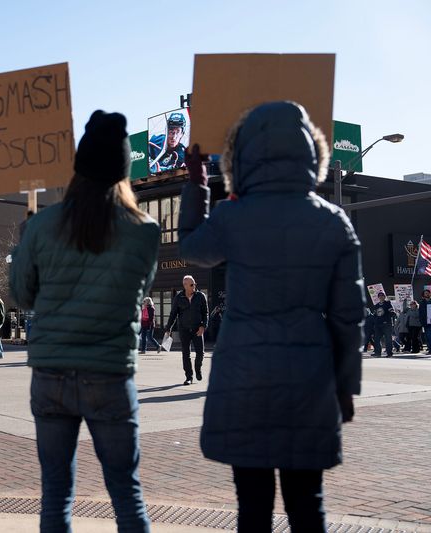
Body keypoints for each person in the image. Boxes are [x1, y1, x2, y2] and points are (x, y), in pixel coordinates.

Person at [178, 101, 365, 532]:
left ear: (242, 156)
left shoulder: (232, 216)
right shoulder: (334, 222)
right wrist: (345, 387)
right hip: (310, 378)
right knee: (307, 505)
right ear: (311, 152)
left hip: (243, 376)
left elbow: (190, 248)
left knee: (253, 507)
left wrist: (198, 185)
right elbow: (348, 317)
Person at [10, 110, 157, 531]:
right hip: (109, 373)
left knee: (56, 494)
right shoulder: (144, 231)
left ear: (79, 167)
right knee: (127, 494)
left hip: (52, 373)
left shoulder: (42, 226)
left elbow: (22, 295)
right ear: (123, 171)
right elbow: (138, 294)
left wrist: (25, 243)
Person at [164, 275, 208, 385]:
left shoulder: (201, 296)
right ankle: (189, 377)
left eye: (195, 284)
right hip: (184, 330)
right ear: (185, 286)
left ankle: (198, 368)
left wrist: (203, 326)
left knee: (200, 353)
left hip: (197, 329)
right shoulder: (178, 298)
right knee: (186, 354)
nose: (194, 286)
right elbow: (173, 314)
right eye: (192, 285)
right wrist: (168, 329)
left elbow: (205, 313)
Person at [372, 292, 396, 357]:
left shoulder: (388, 304)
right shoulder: (376, 305)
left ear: (384, 297)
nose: (381, 297)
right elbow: (374, 315)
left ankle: (389, 353)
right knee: (376, 339)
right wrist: (375, 322)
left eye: (382, 295)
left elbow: (392, 312)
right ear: (378, 297)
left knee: (388, 339)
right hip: (378, 325)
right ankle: (377, 353)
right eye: (379, 296)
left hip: (386, 324)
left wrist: (388, 318)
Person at [420, 289, 431, 355]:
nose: (427, 294)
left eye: (428, 293)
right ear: (423, 295)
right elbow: (420, 313)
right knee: (428, 337)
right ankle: (430, 349)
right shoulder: (422, 303)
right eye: (425, 293)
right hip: (426, 322)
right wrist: (422, 322)